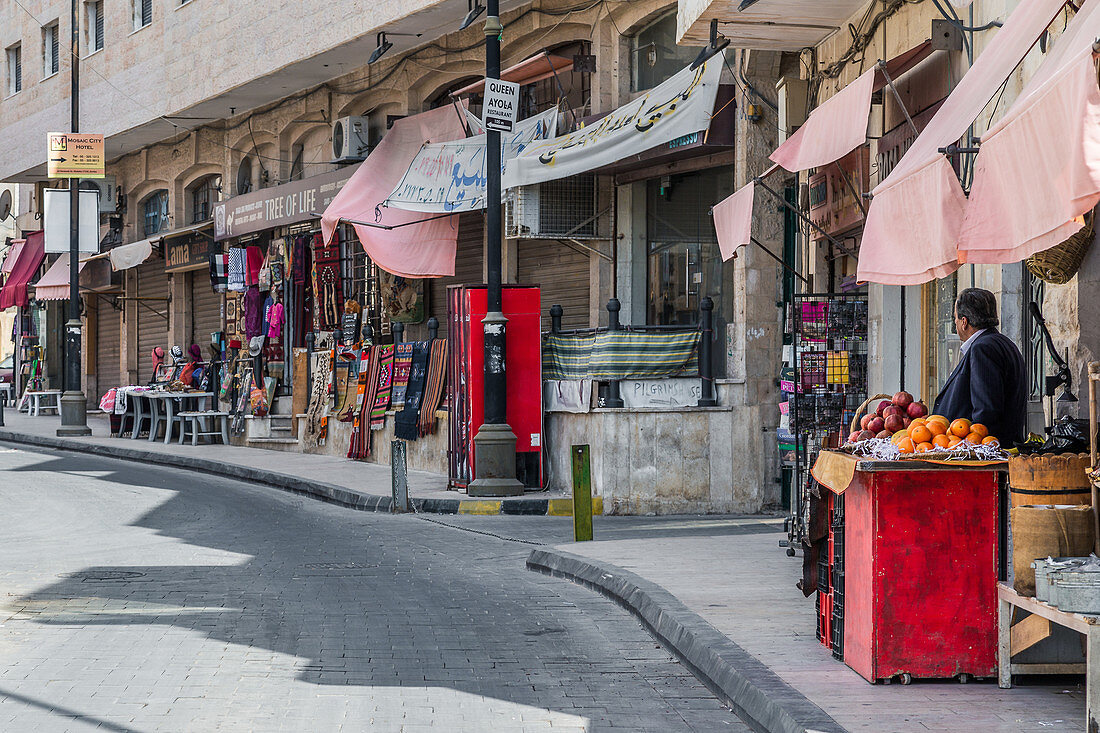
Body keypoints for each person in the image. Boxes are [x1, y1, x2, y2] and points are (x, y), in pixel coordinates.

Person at [933, 288, 1027, 446]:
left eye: (955, 319)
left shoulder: (983, 348)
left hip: (985, 450)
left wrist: (975, 445)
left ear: (964, 322)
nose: (955, 323)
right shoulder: (1001, 342)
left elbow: (986, 410)